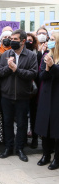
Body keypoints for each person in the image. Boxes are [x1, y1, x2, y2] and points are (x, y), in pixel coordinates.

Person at [0, 29, 38, 162]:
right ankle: (8, 147)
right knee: (7, 122)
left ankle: (19, 148)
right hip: (7, 95)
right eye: (11, 39)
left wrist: (17, 69)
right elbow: (0, 73)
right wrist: (9, 68)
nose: (12, 41)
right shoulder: (6, 54)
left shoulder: (31, 55)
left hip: (23, 96)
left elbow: (33, 74)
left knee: (21, 124)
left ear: (23, 41)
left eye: (15, 39)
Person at [35, 33, 59, 170]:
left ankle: (57, 158)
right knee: (45, 127)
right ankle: (45, 155)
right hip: (45, 96)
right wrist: (48, 66)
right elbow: (42, 76)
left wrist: (53, 66)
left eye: (53, 40)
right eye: (50, 39)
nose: (50, 42)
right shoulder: (45, 56)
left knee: (56, 128)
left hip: (57, 96)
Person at [25, 33, 39, 149]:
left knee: (34, 115)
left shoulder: (38, 54)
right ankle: (24, 137)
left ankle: (34, 137)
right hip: (24, 88)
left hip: (35, 89)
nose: (28, 42)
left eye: (31, 40)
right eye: (27, 40)